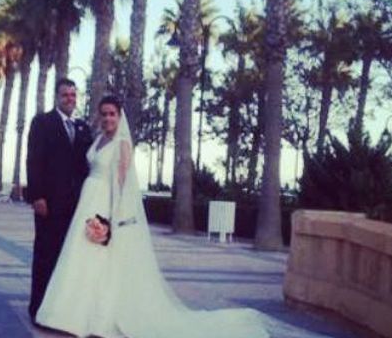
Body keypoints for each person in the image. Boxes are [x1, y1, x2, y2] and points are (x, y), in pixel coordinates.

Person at [36, 95, 273, 338]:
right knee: (80, 257)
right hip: (86, 204)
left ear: (119, 116)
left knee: (99, 261)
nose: (107, 118)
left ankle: (95, 319)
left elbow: (121, 183)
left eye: (112, 114)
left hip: (103, 205)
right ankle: (67, 315)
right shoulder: (97, 141)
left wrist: (111, 218)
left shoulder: (123, 144)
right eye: (103, 114)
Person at [25, 78, 93, 322]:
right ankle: (38, 307)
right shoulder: (42, 123)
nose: (70, 99)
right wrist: (37, 196)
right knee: (45, 254)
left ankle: (59, 308)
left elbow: (86, 166)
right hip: (48, 204)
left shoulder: (83, 127)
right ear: (57, 97)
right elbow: (34, 160)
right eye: (65, 95)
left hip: (75, 206)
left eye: (73, 95)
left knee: (67, 257)